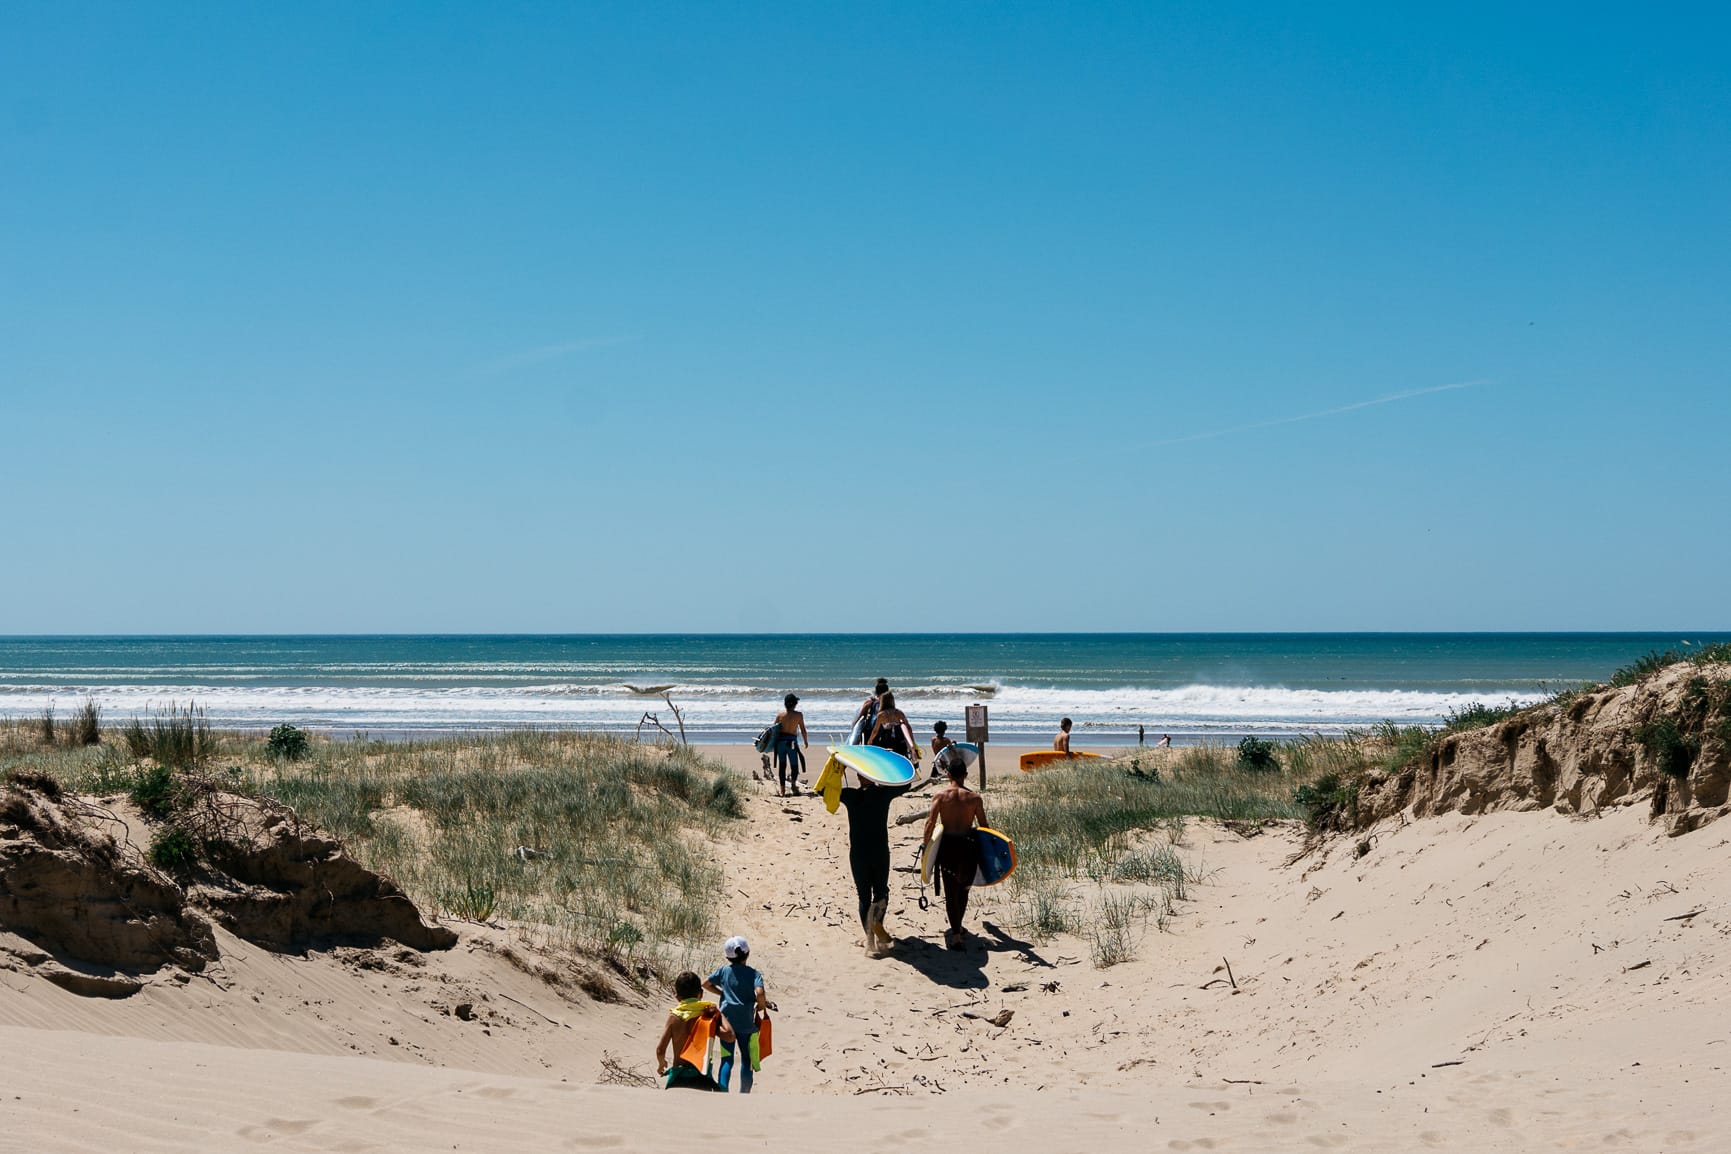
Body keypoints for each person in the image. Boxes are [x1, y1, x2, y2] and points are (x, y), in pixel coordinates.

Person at [921, 752, 989, 950]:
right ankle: (958, 926)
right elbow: (984, 826)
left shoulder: (941, 796)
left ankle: (957, 934)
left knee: (951, 891)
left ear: (948, 775)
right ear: (965, 775)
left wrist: (926, 847)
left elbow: (930, 822)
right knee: (964, 889)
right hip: (968, 846)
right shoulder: (975, 798)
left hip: (948, 847)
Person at [704, 936, 771, 1093]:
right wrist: (760, 1006)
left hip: (727, 1022)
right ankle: (744, 1093)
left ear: (728, 957)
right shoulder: (753, 974)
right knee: (746, 1060)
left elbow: (705, 984)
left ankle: (723, 1091)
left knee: (727, 1059)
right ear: (747, 953)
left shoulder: (723, 971)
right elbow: (760, 992)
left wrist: (722, 993)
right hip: (747, 1023)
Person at [656, 970, 731, 1091]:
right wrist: (718, 1013)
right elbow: (729, 1035)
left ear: (677, 997)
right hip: (701, 1077)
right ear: (700, 994)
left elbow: (660, 1050)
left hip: (679, 1078)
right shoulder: (708, 1016)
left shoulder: (673, 1018)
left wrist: (661, 1064)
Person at [773, 693, 808, 797]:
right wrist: (806, 741)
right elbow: (803, 730)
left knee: (782, 766)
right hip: (791, 744)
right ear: (795, 704)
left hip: (780, 744)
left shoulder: (780, 715)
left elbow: (773, 730)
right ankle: (793, 785)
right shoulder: (799, 715)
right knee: (794, 766)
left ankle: (782, 790)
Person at [867, 691, 919, 762]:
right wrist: (912, 742)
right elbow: (908, 728)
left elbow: (875, 730)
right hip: (899, 741)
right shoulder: (899, 713)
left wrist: (870, 740)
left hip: (885, 741)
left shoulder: (881, 715)